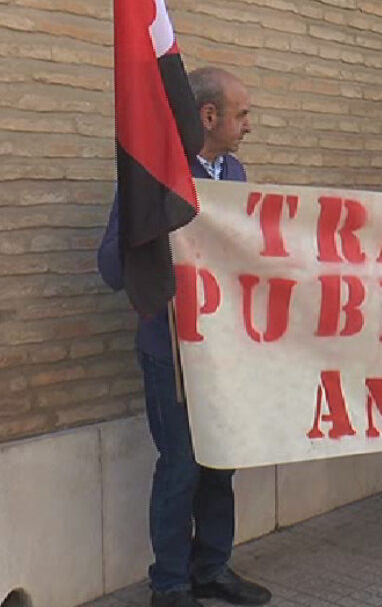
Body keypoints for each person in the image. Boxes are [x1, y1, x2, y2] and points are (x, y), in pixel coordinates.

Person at [98, 67, 271, 606]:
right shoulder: (154, 174)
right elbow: (110, 266)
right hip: (170, 351)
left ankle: (212, 568)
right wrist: (152, 232)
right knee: (180, 467)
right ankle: (169, 584)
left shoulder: (235, 172)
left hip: (224, 350)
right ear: (208, 115)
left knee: (221, 461)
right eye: (241, 115)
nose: (249, 126)